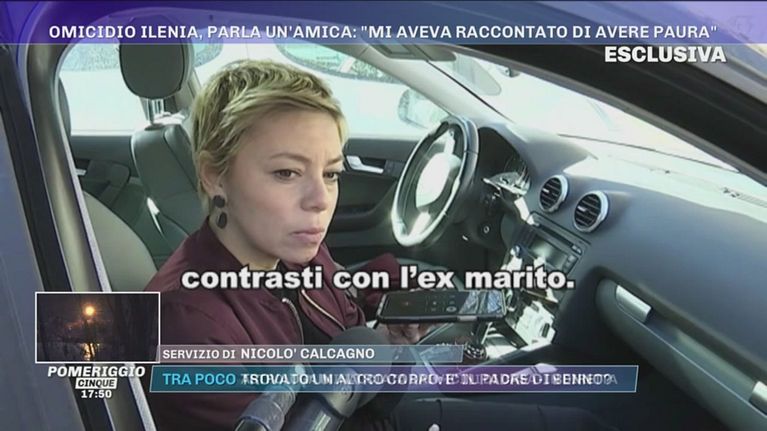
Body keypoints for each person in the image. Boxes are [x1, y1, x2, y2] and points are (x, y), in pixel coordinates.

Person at [144, 59, 616, 431]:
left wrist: (385, 339)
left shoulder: (291, 252)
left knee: (589, 409)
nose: (320, 200)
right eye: (286, 173)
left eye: (331, 173)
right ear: (215, 175)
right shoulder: (185, 327)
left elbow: (343, 324)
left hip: (381, 400)